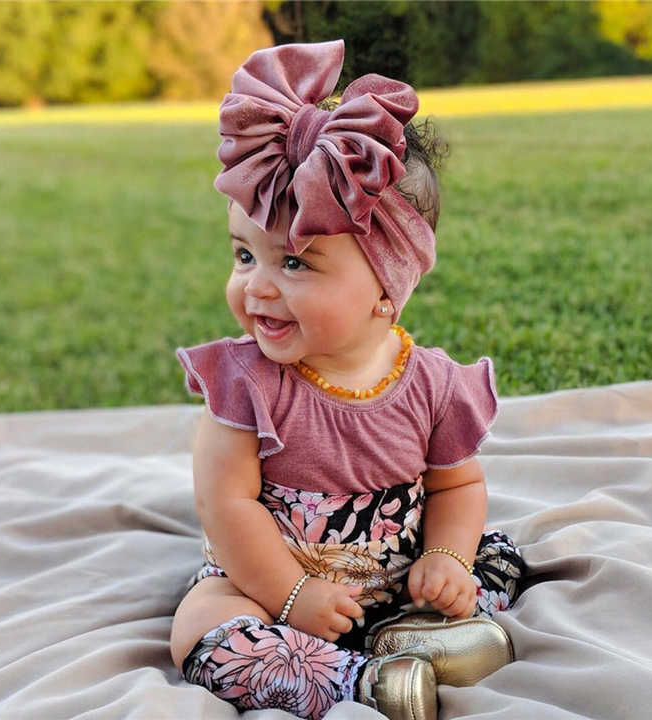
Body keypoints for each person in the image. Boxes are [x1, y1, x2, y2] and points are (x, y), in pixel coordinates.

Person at [169, 39, 524, 720]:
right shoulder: (244, 383)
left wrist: (446, 559)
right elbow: (226, 506)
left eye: (294, 264)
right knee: (203, 626)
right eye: (244, 255)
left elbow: (457, 485)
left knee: (496, 554)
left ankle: (416, 631)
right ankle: (363, 682)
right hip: (272, 580)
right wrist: (291, 596)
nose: (256, 287)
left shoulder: (431, 382)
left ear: (387, 288)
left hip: (398, 576)